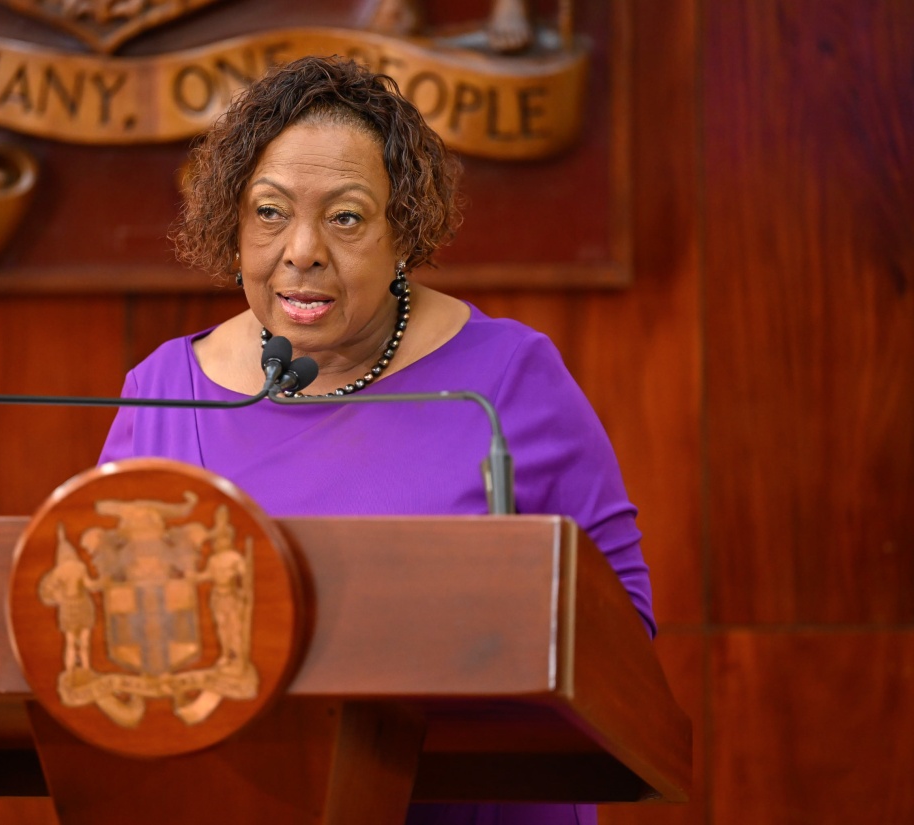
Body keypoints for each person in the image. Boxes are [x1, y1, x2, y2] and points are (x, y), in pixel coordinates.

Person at [99, 55, 653, 825]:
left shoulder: (508, 381)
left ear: (404, 233)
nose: (302, 249)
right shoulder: (163, 393)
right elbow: (106, 643)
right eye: (269, 211)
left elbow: (623, 634)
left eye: (347, 217)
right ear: (232, 224)